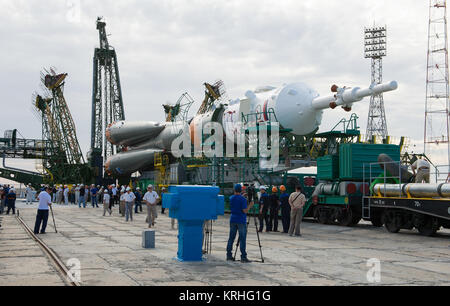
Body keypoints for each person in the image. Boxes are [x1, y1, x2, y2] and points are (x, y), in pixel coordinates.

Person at [226, 184, 254, 263]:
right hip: (241, 220)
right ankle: (243, 257)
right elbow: (245, 211)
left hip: (233, 219)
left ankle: (229, 255)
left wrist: (242, 196)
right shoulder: (243, 199)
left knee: (231, 238)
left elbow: (236, 200)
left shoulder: (231, 198)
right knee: (242, 238)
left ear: (234, 190)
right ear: (241, 190)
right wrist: (250, 206)